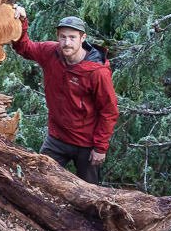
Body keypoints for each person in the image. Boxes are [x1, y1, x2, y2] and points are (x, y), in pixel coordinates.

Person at [13, 11, 118, 181]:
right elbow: (24, 47)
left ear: (82, 38)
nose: (66, 43)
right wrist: (22, 21)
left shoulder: (97, 72)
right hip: (57, 138)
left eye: (72, 37)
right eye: (63, 37)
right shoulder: (51, 53)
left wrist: (100, 148)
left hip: (86, 143)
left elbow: (109, 111)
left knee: (89, 195)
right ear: (58, 36)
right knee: (38, 182)